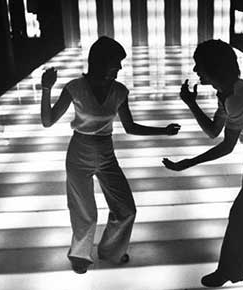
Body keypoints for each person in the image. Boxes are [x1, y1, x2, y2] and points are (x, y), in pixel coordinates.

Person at [40, 36, 181, 274]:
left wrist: (163, 131)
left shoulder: (119, 91)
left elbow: (130, 127)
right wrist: (46, 88)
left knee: (126, 209)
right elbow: (48, 121)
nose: (120, 68)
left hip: (106, 153)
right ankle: (80, 255)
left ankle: (110, 250)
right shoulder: (75, 88)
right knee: (84, 211)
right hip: (79, 153)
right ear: (101, 62)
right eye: (117, 62)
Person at [162, 39, 243, 288]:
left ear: (214, 68)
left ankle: (229, 272)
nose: (196, 71)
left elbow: (226, 146)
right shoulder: (227, 93)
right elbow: (212, 130)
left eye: (199, 66)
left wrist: (189, 163)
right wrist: (191, 103)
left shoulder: (236, 98)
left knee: (241, 212)